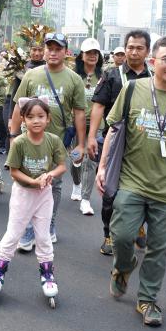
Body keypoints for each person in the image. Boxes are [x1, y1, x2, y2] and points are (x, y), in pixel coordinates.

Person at [96, 36, 166, 327]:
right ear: (153, 61)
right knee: (120, 236)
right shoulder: (132, 89)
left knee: (158, 249)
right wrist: (103, 167)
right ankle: (124, 266)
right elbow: (115, 130)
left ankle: (147, 300)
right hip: (131, 182)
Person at [10, 32, 86, 249]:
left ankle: (49, 225)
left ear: (65, 52)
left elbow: (79, 113)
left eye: (58, 49)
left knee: (53, 185)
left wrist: (81, 144)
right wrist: (14, 135)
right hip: (28, 141)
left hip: (57, 142)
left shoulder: (73, 79)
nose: (53, 52)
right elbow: (18, 106)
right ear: (44, 51)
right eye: (49, 48)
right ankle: (27, 230)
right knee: (27, 183)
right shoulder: (31, 75)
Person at [0, 99, 66, 304]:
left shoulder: (53, 140)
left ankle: (47, 274)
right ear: (23, 120)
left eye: (40, 116)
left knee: (43, 236)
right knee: (13, 234)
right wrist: (33, 181)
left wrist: (49, 176)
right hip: (23, 194)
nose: (36, 121)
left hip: (44, 195)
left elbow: (61, 166)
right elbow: (13, 171)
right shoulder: (20, 142)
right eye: (30, 117)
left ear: (48, 119)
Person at [87, 29, 152, 255]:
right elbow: (98, 106)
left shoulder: (154, 77)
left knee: (144, 191)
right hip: (114, 142)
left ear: (147, 51)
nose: (134, 52)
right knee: (110, 191)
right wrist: (91, 137)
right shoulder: (112, 75)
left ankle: (138, 227)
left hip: (145, 144)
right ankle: (109, 235)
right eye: (130, 47)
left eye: (139, 48)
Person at [72, 38, 103, 216]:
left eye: (95, 53)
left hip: (97, 125)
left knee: (90, 160)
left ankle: (85, 199)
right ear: (81, 55)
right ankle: (76, 184)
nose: (92, 56)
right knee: (75, 158)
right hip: (76, 123)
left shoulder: (105, 76)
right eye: (89, 53)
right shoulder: (73, 76)